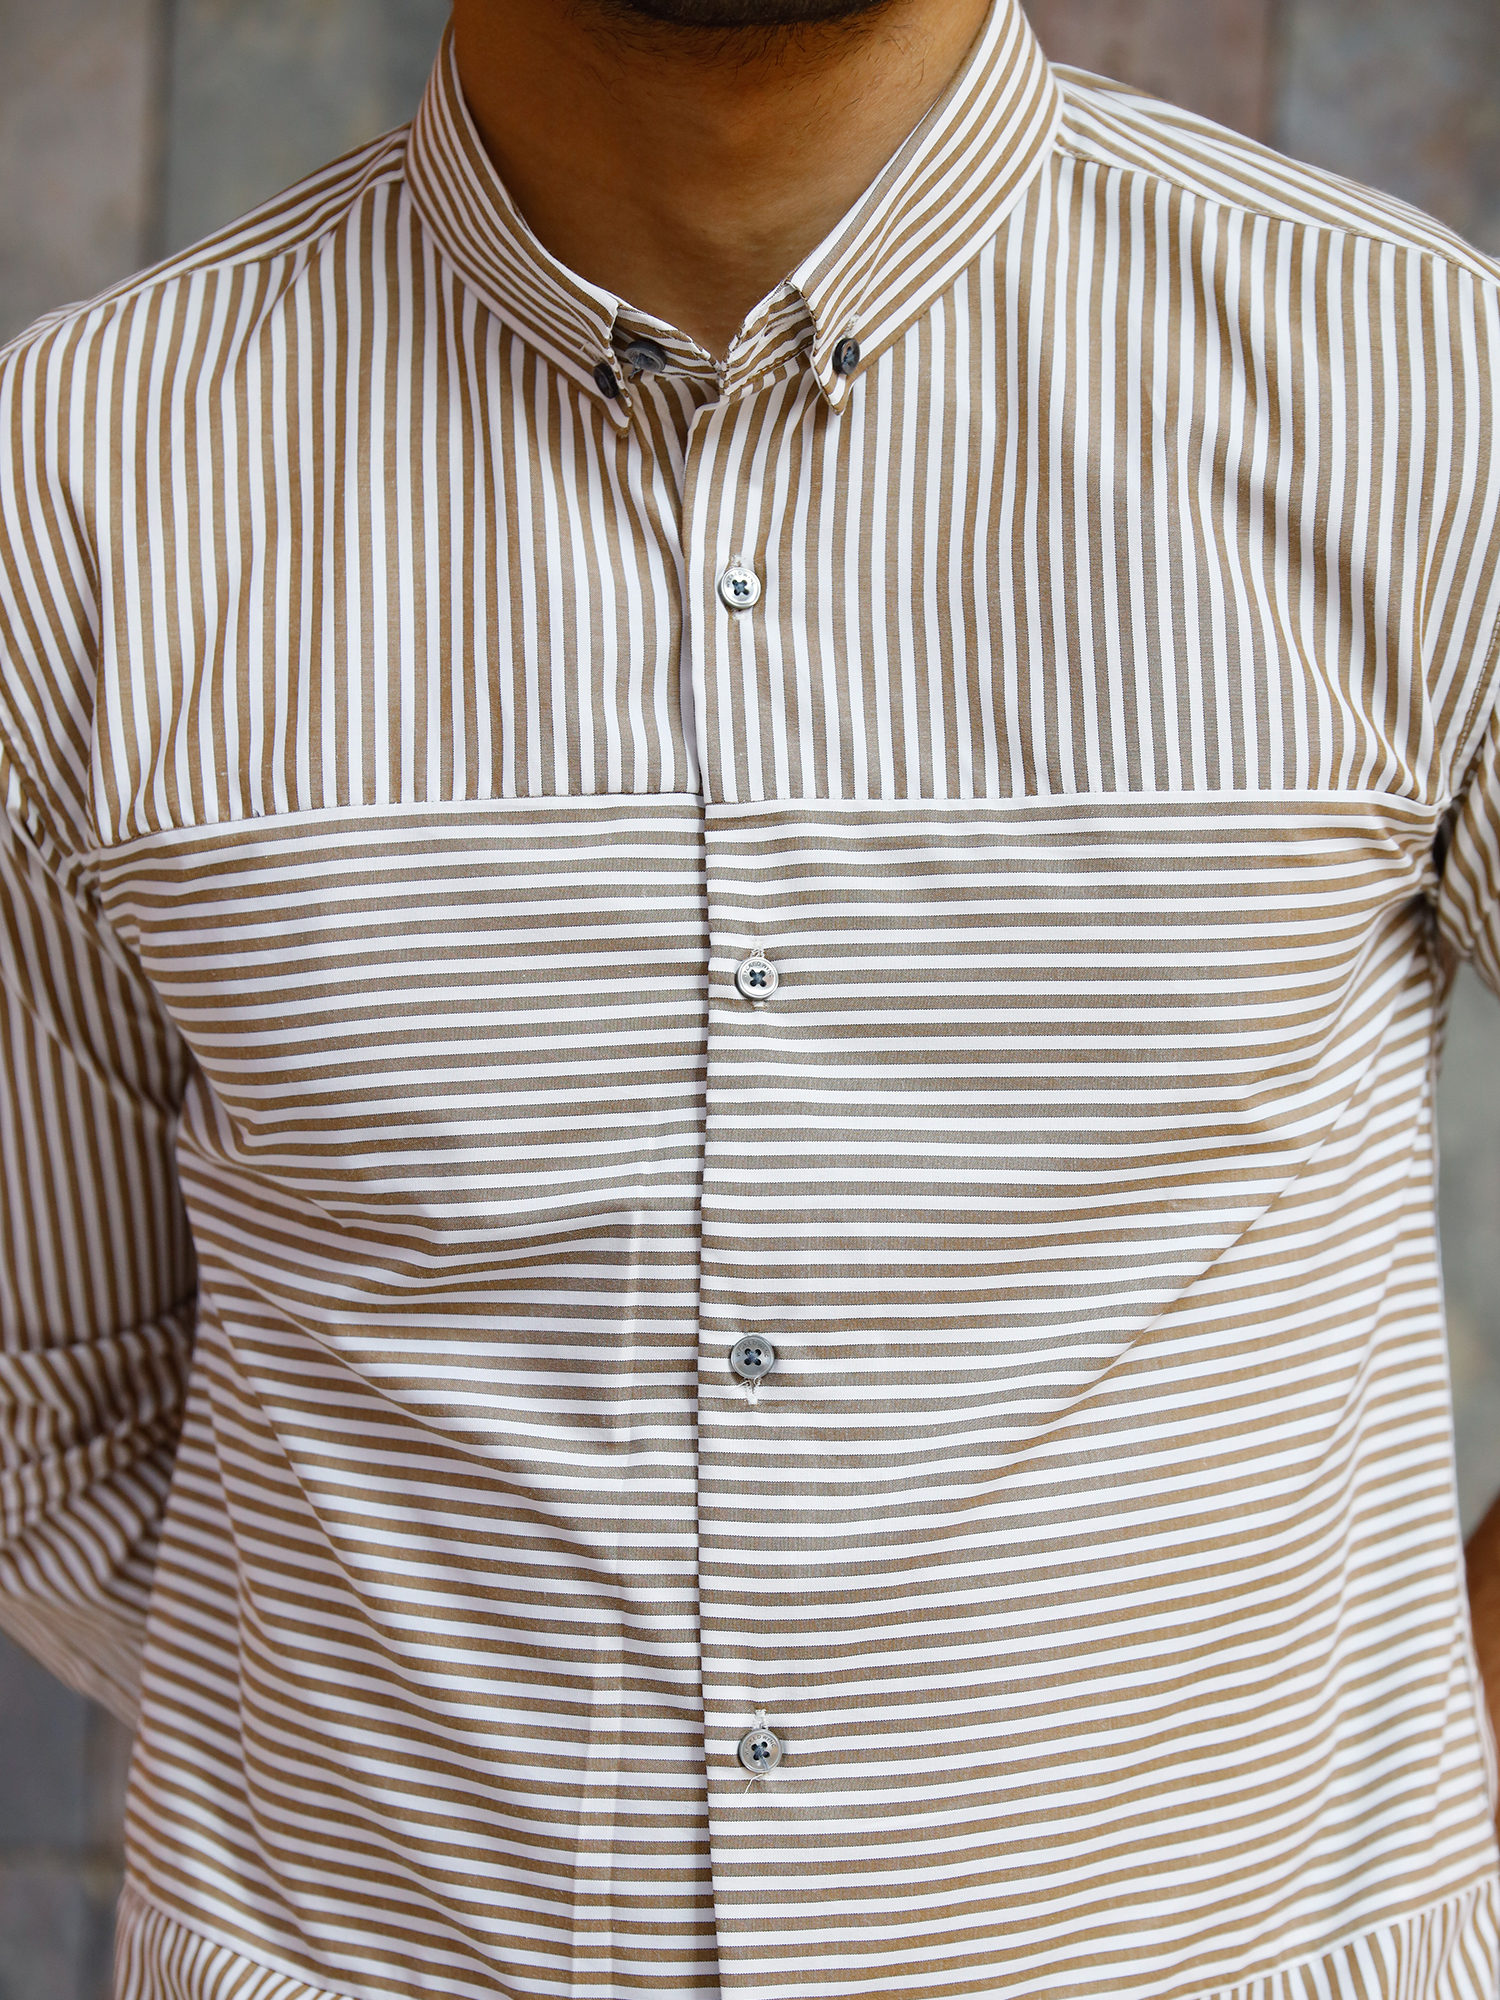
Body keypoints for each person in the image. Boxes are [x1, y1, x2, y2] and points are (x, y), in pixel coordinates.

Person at [2, 0, 1499, 1993]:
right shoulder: (71, 487)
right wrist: (401, 1747)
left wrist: (1381, 1767)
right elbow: (47, 1413)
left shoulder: (1427, 394)